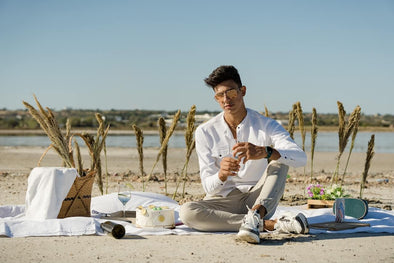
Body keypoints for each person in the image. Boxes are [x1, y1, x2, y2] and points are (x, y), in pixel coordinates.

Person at [179, 65, 309, 244]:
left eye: (231, 93)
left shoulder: (266, 125)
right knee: (187, 212)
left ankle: (256, 216)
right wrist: (221, 175)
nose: (226, 99)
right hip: (225, 201)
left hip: (260, 199)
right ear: (216, 98)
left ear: (243, 91)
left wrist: (266, 152)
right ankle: (270, 225)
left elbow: (300, 158)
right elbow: (209, 188)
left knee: (279, 159)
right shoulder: (205, 131)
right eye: (219, 95)